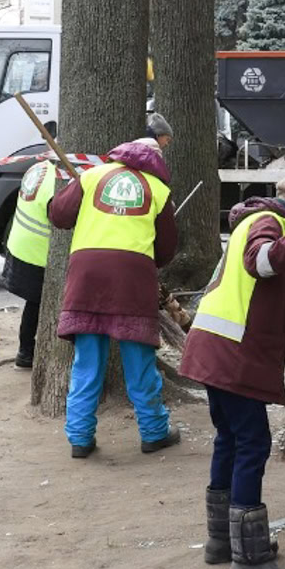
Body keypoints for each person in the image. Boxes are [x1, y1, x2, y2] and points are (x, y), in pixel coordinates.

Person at [180, 169, 285, 569]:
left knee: (229, 440)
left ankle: (222, 541)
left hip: (217, 350)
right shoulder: (268, 223)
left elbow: (255, 301)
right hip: (231, 356)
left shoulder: (261, 221)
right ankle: (249, 564)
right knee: (252, 443)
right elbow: (262, 262)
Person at [47, 135, 180, 458]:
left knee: (87, 363)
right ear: (156, 161)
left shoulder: (92, 176)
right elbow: (165, 251)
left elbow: (59, 215)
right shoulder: (159, 191)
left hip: (87, 275)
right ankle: (153, 432)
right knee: (139, 362)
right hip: (132, 279)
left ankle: (79, 438)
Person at [1, 156, 69, 368]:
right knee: (39, 303)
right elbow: (60, 218)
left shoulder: (39, 168)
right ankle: (26, 353)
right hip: (38, 252)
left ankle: (26, 352)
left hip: (21, 245)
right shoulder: (58, 182)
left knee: (34, 304)